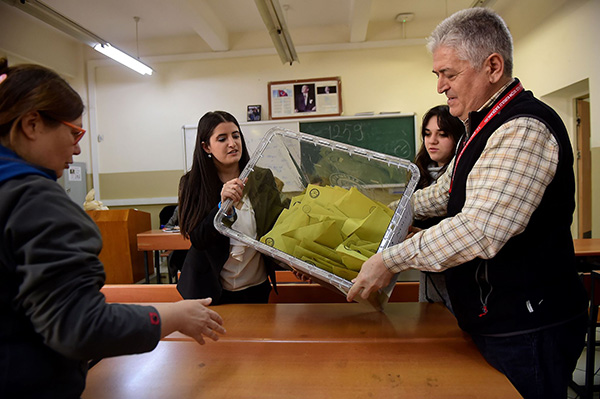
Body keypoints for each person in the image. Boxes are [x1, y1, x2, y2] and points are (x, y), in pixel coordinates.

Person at [347, 8, 588, 398]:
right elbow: (446, 192)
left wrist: (388, 259)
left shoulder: (523, 128)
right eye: (437, 75)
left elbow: (478, 229)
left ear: (493, 66)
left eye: (450, 74)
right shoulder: (481, 124)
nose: (440, 87)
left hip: (529, 327)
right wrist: (383, 213)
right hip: (493, 320)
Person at [0, 59, 226, 398]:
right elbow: (78, 325)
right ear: (32, 124)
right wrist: (171, 316)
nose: (77, 148)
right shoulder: (36, 202)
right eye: (74, 132)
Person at [177, 111, 284, 304]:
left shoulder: (262, 178)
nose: (232, 143)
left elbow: (277, 227)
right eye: (222, 138)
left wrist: (298, 265)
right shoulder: (192, 183)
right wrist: (222, 207)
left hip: (256, 286)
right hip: (210, 289)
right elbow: (198, 239)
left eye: (236, 136)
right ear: (206, 147)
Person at [412, 105, 464, 309]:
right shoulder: (418, 175)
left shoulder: (462, 176)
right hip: (428, 277)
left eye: (442, 134)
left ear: (458, 138)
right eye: (427, 134)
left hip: (459, 274)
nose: (432, 141)